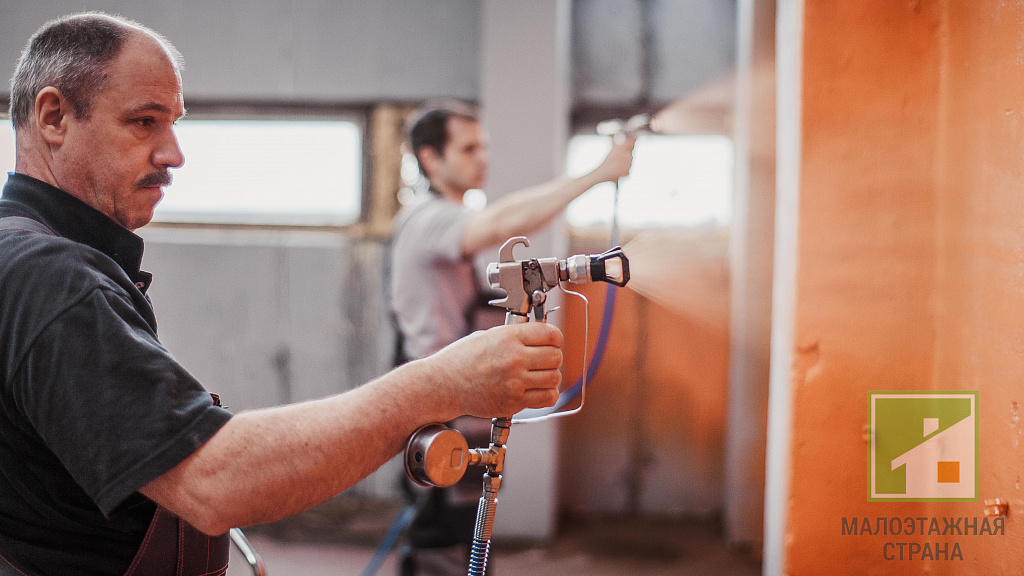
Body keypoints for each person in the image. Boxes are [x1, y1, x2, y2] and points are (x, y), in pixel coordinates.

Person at [0, 13, 563, 576]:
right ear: (54, 117)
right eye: (144, 122)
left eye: (173, 123)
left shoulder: (21, 250)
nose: (173, 154)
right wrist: (443, 383)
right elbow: (215, 482)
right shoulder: (53, 277)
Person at [389, 103, 634, 574]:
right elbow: (501, 224)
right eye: (468, 148)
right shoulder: (429, 220)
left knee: (468, 539)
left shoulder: (447, 217)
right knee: (448, 545)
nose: (483, 158)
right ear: (429, 159)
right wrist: (598, 174)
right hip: (438, 409)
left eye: (484, 147)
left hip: (460, 406)